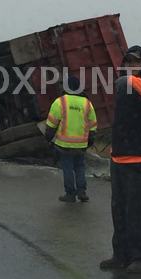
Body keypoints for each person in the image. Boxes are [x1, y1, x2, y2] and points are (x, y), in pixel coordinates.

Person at [100, 46, 141, 274]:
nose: (130, 66)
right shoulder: (121, 85)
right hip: (119, 157)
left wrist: (132, 81)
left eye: (135, 62)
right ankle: (121, 254)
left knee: (139, 210)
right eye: (127, 62)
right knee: (119, 210)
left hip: (140, 157)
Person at [45, 75, 97, 203]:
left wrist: (48, 138)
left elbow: (51, 124)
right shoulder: (87, 103)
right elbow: (93, 124)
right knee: (80, 167)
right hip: (81, 145)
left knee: (68, 168)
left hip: (64, 144)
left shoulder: (60, 102)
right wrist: (90, 141)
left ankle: (70, 194)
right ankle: (82, 192)